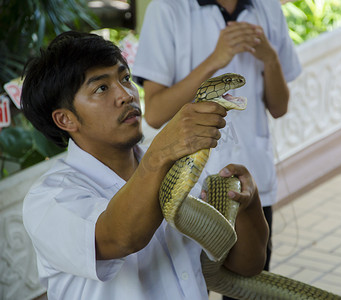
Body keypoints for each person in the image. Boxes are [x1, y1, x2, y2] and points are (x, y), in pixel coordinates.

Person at [21, 31, 269, 300]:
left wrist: (248, 204)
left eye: (125, 78)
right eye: (102, 88)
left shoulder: (182, 171)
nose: (126, 94)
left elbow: (248, 266)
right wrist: (162, 152)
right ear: (66, 120)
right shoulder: (49, 198)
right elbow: (119, 237)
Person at [132, 0, 302, 288]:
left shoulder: (267, 7)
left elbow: (280, 107)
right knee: (191, 285)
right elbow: (156, 113)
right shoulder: (167, 8)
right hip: (190, 193)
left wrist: (270, 59)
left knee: (248, 282)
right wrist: (216, 59)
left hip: (250, 186)